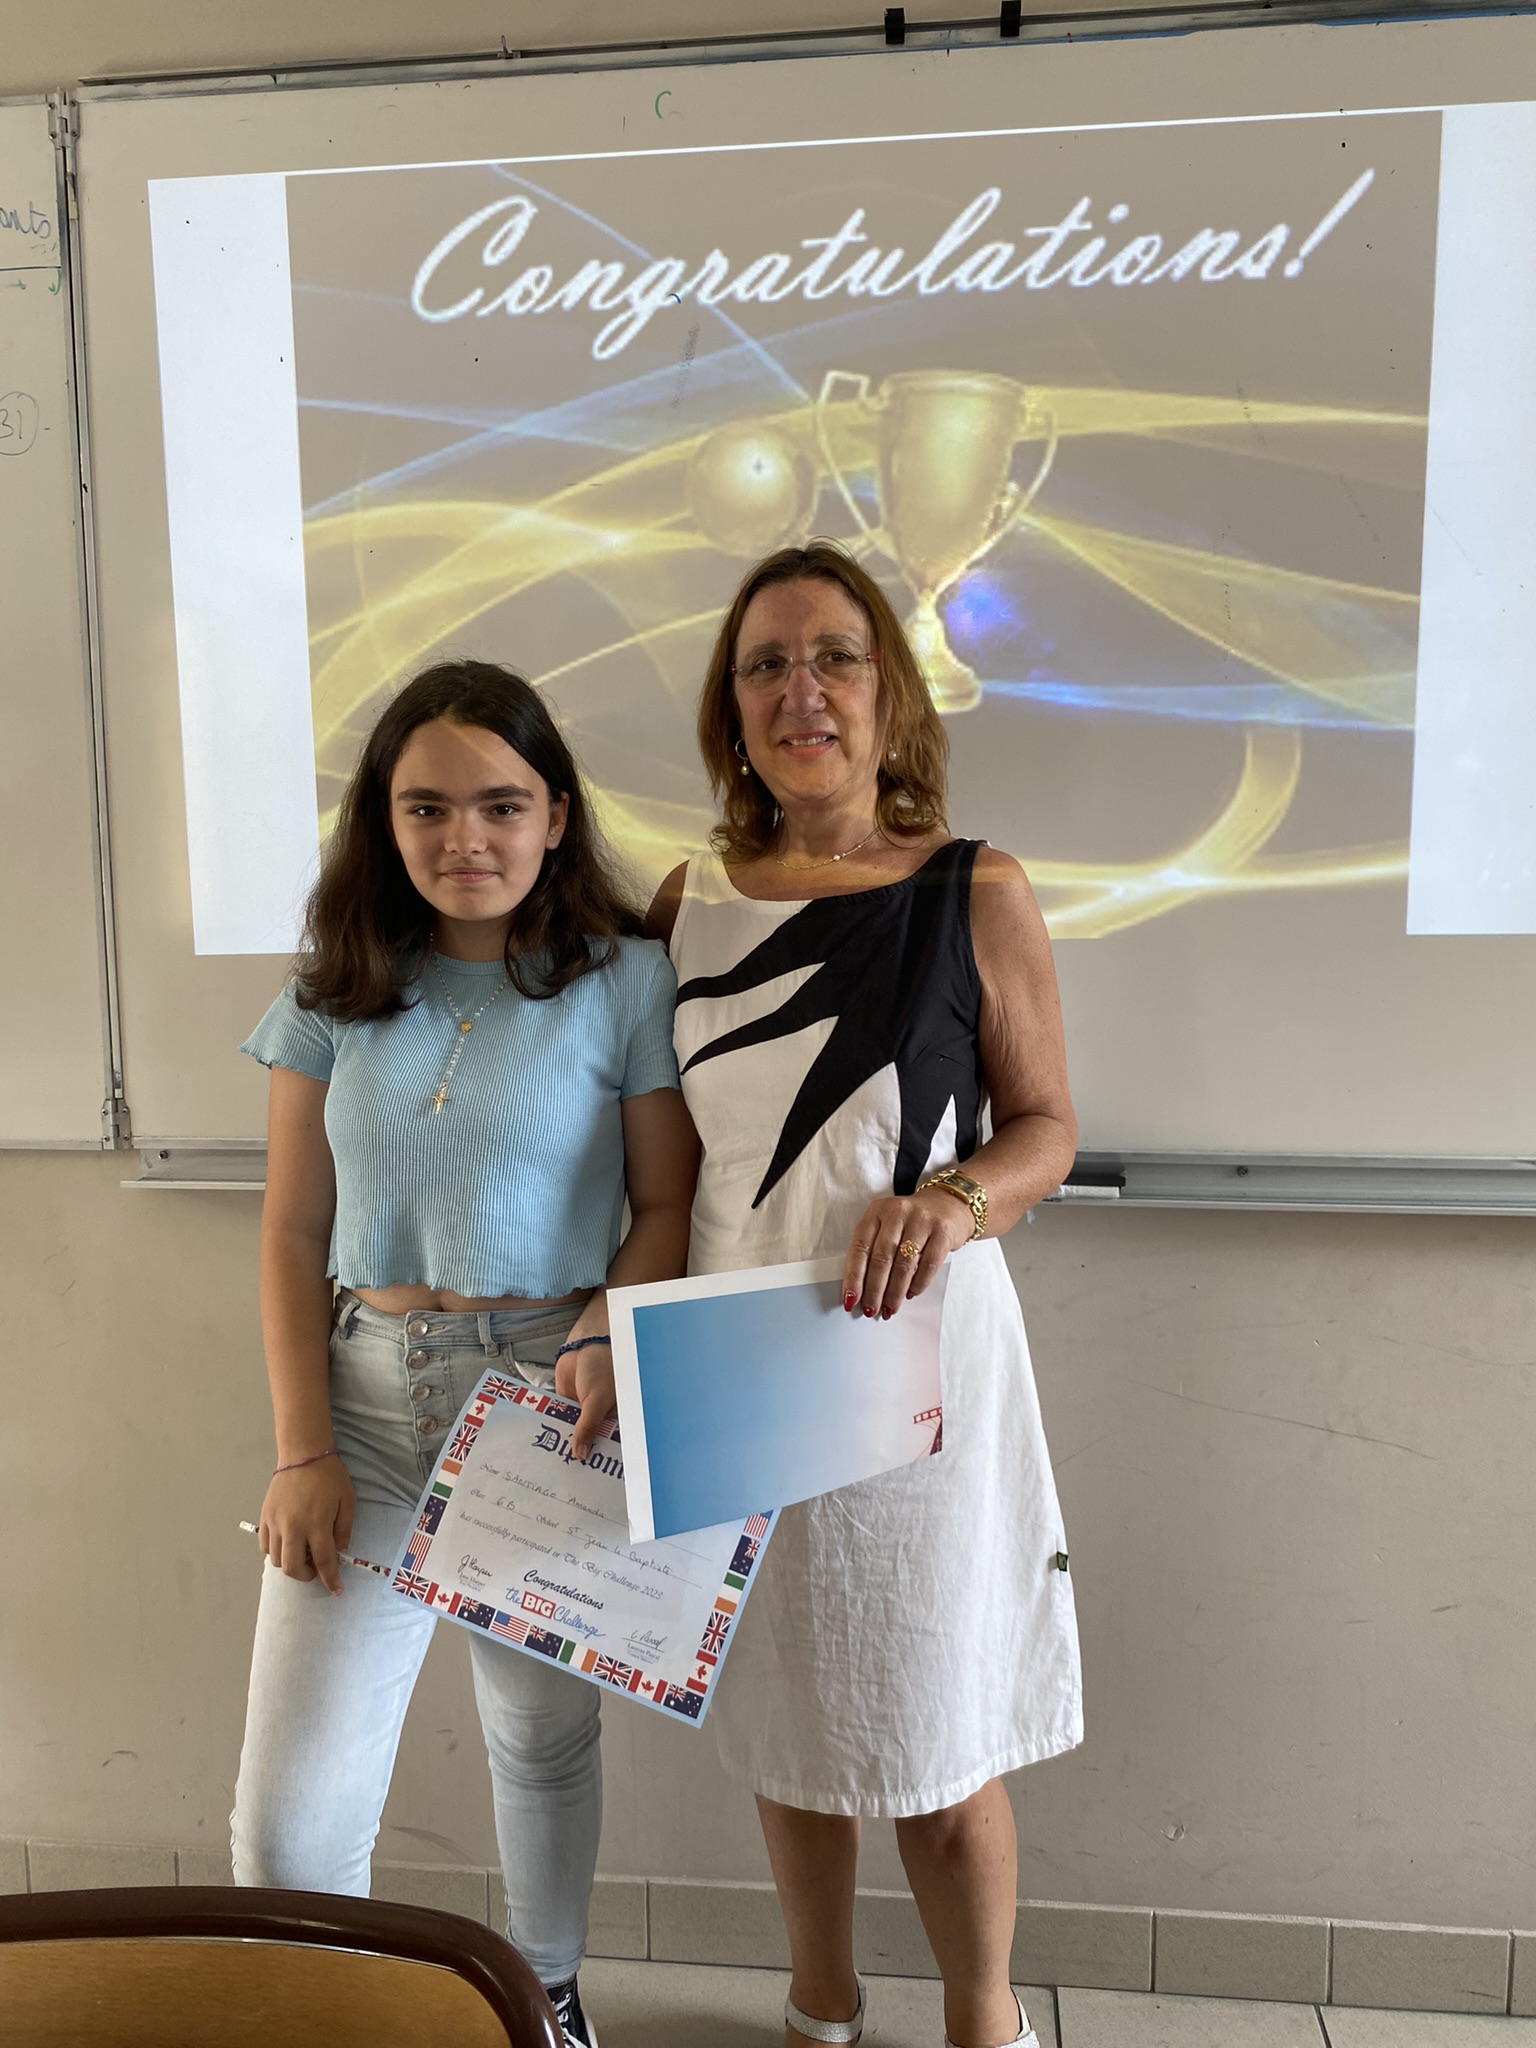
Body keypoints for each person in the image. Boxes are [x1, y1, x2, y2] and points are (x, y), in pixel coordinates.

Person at [648, 543, 1082, 2048]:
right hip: (738, 1356)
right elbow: (660, 1159)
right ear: (733, 708)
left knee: (939, 1729)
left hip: (922, 1368)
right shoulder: (684, 902)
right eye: (765, 665)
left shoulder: (976, 886)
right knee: (791, 1713)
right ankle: (819, 2005)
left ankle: (982, 2019)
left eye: (835, 656)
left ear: (890, 691)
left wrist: (954, 1199)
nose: (802, 691)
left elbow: (1047, 1129)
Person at [232, 660, 697, 2048]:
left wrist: (606, 1323)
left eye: (501, 805)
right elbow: (288, 1230)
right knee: (288, 1825)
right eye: (425, 808)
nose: (464, 839)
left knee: (539, 1740)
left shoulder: (624, 981)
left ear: (555, 815)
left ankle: (544, 1997)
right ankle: (331, 2014)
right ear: (384, 822)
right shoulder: (333, 988)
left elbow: (664, 1202)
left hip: (547, 1399)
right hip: (365, 1406)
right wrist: (301, 1450)